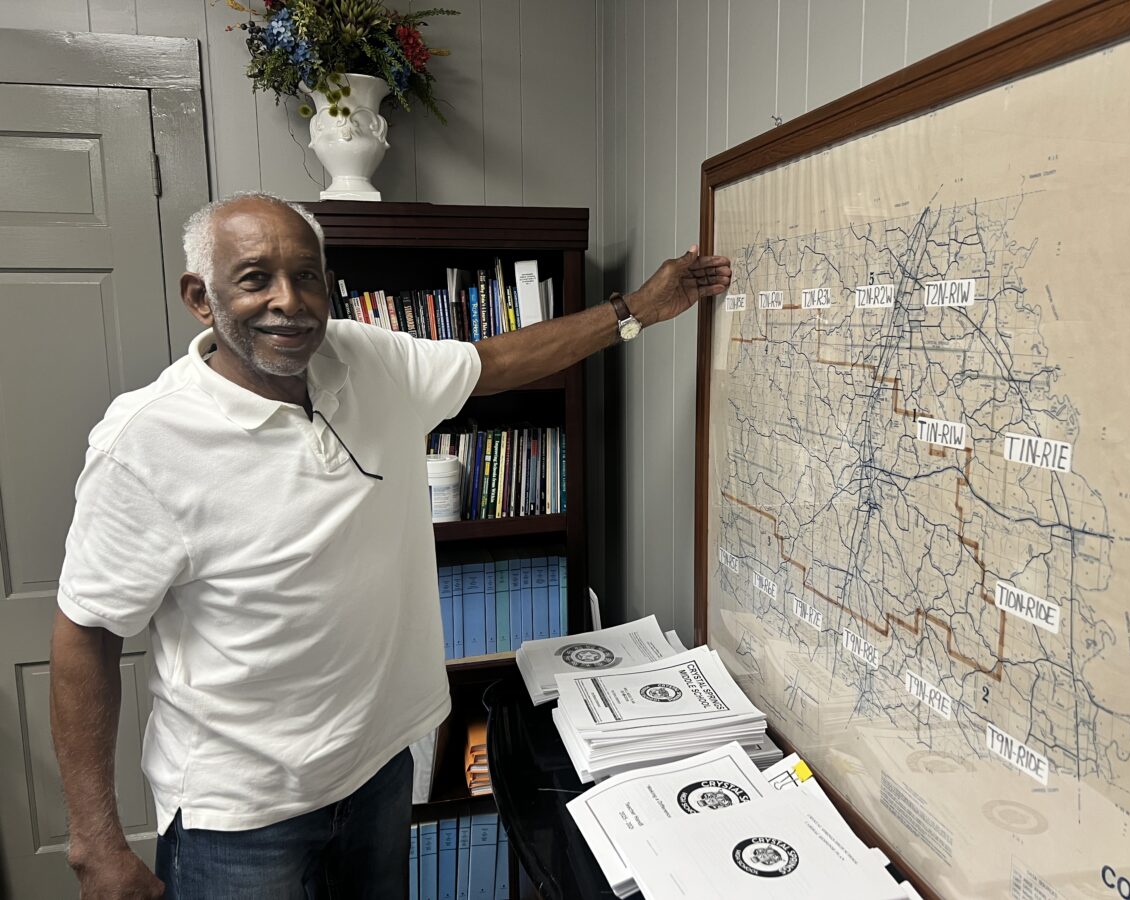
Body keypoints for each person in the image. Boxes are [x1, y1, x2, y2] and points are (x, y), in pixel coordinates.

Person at [49, 192, 732, 899]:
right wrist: (96, 844)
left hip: (377, 772)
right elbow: (85, 634)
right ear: (200, 297)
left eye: (306, 276)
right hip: (240, 816)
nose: (289, 301)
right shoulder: (145, 442)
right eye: (255, 279)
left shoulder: (369, 357)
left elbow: (494, 361)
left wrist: (636, 310)